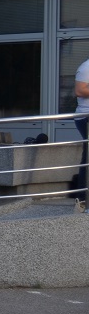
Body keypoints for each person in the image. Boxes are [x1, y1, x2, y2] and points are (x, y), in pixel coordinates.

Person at [75, 57, 89, 207]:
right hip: (86, 117)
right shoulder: (86, 67)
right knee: (88, 156)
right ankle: (83, 197)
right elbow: (79, 90)